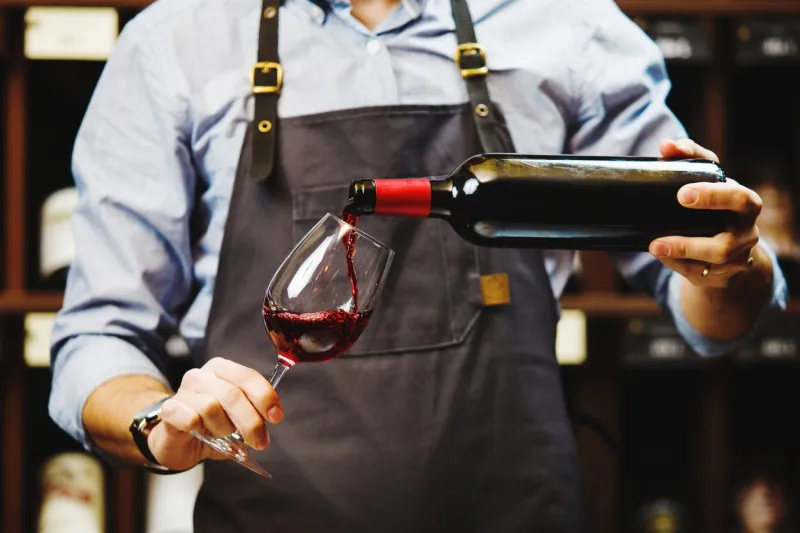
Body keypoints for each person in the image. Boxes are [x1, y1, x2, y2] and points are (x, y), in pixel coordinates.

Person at [49, 0, 788, 531]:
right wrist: (156, 422)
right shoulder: (175, 40)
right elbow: (98, 336)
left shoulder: (567, 24)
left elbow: (714, 313)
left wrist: (731, 262)